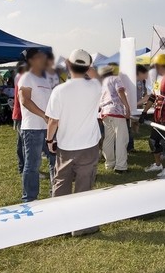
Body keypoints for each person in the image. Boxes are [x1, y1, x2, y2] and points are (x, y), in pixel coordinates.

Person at [45, 49, 103, 223]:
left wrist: (49, 140)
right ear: (87, 67)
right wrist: (87, 66)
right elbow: (96, 75)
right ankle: (82, 225)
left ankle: (58, 222)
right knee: (84, 186)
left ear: (68, 65)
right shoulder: (95, 86)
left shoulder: (59, 90)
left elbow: (53, 121)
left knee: (61, 182)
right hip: (89, 146)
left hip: (66, 146)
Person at [18, 49, 56, 201]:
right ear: (32, 60)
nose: (44, 58)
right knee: (33, 164)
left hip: (48, 127)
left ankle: (56, 194)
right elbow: (25, 100)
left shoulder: (44, 79)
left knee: (55, 160)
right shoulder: (26, 77)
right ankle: (30, 198)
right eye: (40, 56)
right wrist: (44, 115)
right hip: (32, 128)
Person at [98, 65, 131, 174]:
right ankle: (121, 166)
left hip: (105, 112)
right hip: (116, 110)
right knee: (122, 139)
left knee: (108, 139)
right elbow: (120, 91)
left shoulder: (101, 82)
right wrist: (127, 106)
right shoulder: (115, 79)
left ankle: (109, 163)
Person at [11, 63, 26, 175]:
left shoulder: (20, 76)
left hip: (19, 114)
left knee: (21, 143)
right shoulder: (24, 78)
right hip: (22, 114)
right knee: (25, 143)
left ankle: (22, 167)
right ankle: (25, 168)